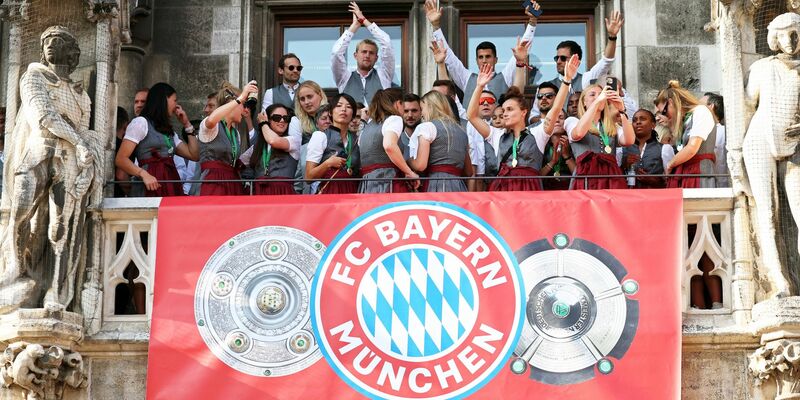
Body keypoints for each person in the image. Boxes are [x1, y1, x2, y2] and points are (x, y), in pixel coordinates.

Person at [469, 56, 578, 191]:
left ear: (523, 112)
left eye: (509, 109)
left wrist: (566, 80)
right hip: (503, 191)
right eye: (503, 110)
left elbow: (555, 109)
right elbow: (472, 116)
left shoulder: (537, 133)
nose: (504, 113)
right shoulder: (497, 135)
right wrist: (479, 86)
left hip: (530, 191)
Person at [425, 0, 537, 107]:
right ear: (476, 61)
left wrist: (532, 23)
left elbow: (523, 49)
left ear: (496, 59)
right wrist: (435, 25)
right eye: (480, 57)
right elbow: (448, 57)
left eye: (488, 56)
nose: (484, 60)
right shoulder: (467, 78)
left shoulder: (505, 77)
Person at [116, 82, 199, 197]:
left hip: (170, 184)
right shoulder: (141, 123)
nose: (176, 105)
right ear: (164, 100)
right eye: (174, 100)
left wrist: (187, 124)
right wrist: (143, 174)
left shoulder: (169, 131)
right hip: (149, 186)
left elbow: (194, 155)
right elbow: (120, 159)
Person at [566, 82, 634, 190]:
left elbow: (629, 140)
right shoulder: (573, 121)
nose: (598, 97)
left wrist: (622, 111)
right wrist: (597, 102)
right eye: (592, 94)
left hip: (610, 177)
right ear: (584, 102)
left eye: (600, 94)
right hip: (586, 176)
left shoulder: (612, 125)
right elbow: (578, 133)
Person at [197, 81, 259, 196]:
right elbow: (211, 120)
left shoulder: (236, 133)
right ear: (233, 103)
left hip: (232, 182)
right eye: (243, 105)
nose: (245, 111)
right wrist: (239, 99)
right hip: (213, 183)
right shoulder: (212, 126)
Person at [656, 81, 717, 188]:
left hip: (699, 171)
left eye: (664, 112)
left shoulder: (701, 111)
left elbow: (692, 147)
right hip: (687, 172)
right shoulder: (686, 119)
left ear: (671, 102)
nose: (665, 116)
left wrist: (670, 164)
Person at [332, 2, 395, 105]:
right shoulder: (344, 77)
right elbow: (336, 53)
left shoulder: (384, 75)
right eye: (364, 52)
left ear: (376, 57)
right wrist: (354, 27)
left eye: (371, 53)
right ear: (355, 55)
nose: (367, 55)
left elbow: (387, 43)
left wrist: (364, 20)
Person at [358, 88, 419, 193]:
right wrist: (409, 172)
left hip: (368, 184)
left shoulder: (368, 127)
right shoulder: (394, 119)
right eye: (403, 107)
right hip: (388, 181)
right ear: (397, 104)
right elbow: (389, 145)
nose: (404, 113)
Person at [409, 91, 473, 192]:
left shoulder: (427, 127)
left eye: (422, 109)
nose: (421, 114)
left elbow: (420, 165)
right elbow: (469, 172)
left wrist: (408, 162)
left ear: (430, 106)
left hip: (436, 185)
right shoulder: (461, 131)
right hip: (459, 187)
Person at [305, 93, 361, 194]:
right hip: (330, 191)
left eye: (348, 107)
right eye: (339, 106)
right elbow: (309, 177)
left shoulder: (357, 139)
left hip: (353, 191)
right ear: (330, 113)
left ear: (353, 114)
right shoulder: (320, 136)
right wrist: (328, 163)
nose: (343, 109)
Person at [239, 103, 300, 195]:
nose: (282, 121)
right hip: (260, 193)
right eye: (277, 117)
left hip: (283, 193)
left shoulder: (292, 141)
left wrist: (263, 123)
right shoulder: (257, 146)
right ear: (268, 120)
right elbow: (239, 164)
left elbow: (273, 141)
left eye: (286, 118)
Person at [620, 109, 675, 189]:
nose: (638, 122)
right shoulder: (623, 149)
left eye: (643, 119)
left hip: (655, 197)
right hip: (628, 197)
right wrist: (624, 164)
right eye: (634, 120)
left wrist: (654, 180)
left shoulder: (664, 149)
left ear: (653, 124)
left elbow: (671, 179)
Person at [290, 81, 328, 193]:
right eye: (302, 99)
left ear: (320, 95)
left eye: (310, 97)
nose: (306, 102)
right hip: (310, 184)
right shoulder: (297, 122)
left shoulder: (334, 117)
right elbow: (297, 160)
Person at [540, 112, 576, 190]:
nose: (556, 120)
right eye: (553, 117)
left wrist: (567, 156)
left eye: (561, 117)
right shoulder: (541, 144)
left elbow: (579, 175)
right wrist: (552, 162)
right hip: (545, 191)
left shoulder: (574, 143)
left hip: (570, 190)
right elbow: (536, 176)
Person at [700, 92, 729, 187]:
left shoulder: (724, 132)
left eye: (700, 105)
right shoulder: (698, 131)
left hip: (722, 186)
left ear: (711, 106)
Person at [114, 107, 131, 197]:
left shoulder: (98, 144)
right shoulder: (124, 147)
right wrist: (131, 192)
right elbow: (121, 176)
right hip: (115, 197)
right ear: (126, 125)